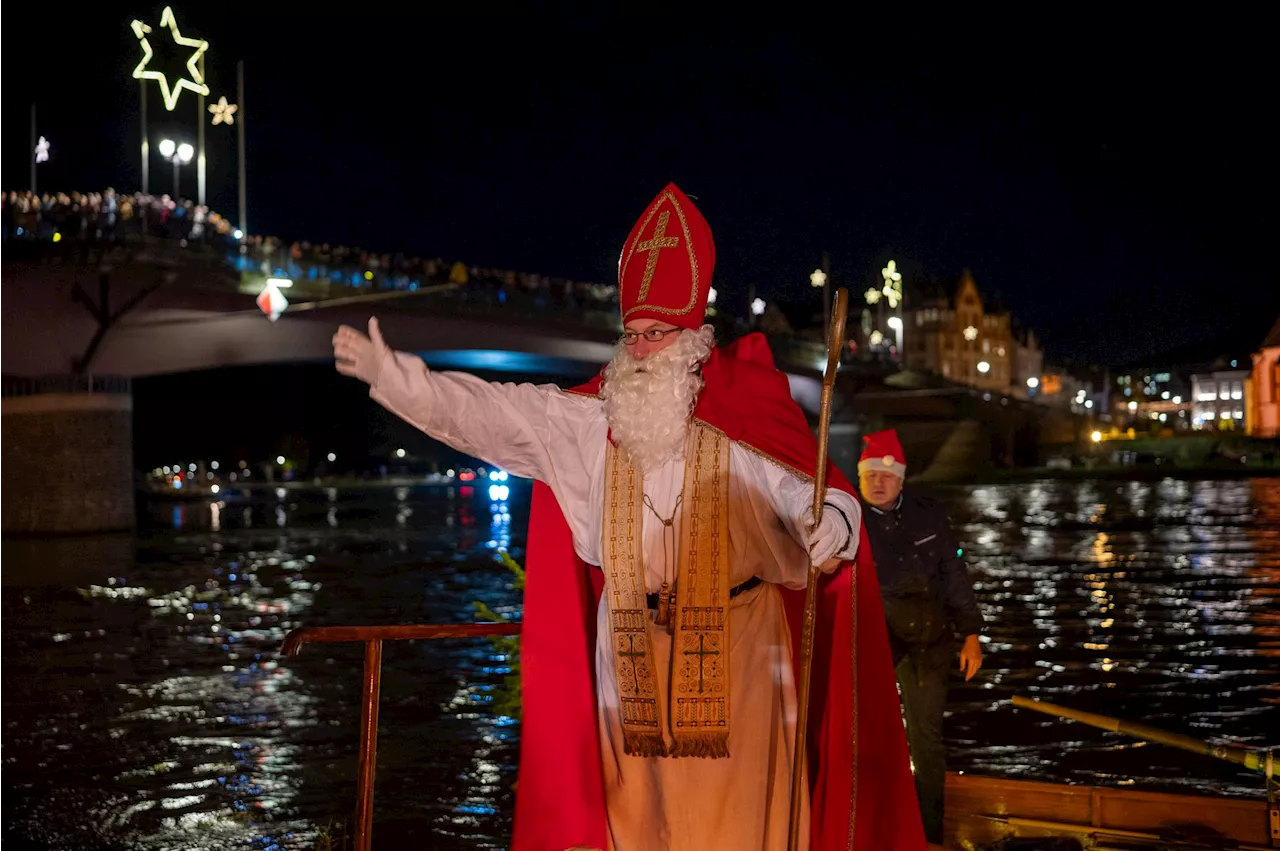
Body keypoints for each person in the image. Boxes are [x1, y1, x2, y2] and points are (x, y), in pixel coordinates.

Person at [333, 183, 924, 851]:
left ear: (691, 338)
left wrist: (829, 527)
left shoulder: (742, 420)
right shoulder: (591, 423)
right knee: (636, 831)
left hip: (742, 666)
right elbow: (494, 416)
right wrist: (403, 382)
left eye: (656, 334)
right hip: (630, 671)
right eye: (633, 334)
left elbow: (811, 493)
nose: (640, 350)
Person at [857, 428, 984, 846]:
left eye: (887, 476)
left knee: (926, 739)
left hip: (930, 640)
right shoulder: (847, 517)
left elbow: (954, 572)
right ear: (860, 478)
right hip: (875, 639)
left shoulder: (929, 513)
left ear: (902, 479)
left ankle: (928, 834)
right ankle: (873, 821)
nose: (879, 482)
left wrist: (971, 634)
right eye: (871, 474)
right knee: (870, 731)